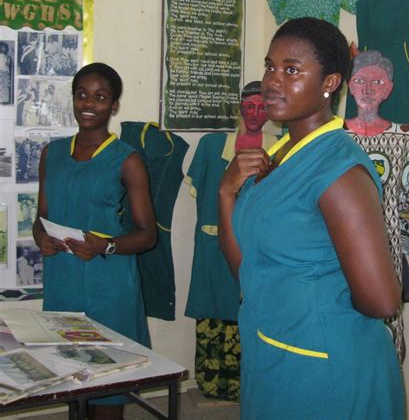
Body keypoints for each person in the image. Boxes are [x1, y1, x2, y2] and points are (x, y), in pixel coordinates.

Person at [218, 18, 404, 419]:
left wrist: (315, 301)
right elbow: (247, 269)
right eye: (270, 66)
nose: (272, 81)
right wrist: (226, 191)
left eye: (291, 70)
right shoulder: (280, 153)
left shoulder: (338, 170)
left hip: (325, 368)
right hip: (273, 351)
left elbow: (381, 299)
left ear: (330, 82)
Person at [33, 62, 156, 420]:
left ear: (114, 105)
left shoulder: (127, 160)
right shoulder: (51, 154)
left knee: (106, 395)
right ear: (72, 99)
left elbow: (147, 235)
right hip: (63, 285)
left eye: (100, 97)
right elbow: (41, 217)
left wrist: (106, 245)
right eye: (82, 94)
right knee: (71, 387)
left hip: (108, 287)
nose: (89, 103)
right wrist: (41, 239)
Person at [184, 81, 277, 401]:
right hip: (211, 245)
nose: (254, 113)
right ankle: (210, 384)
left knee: (250, 310)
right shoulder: (212, 146)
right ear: (240, 107)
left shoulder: (280, 146)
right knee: (212, 310)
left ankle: (245, 386)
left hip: (257, 246)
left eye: (261, 106)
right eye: (249, 106)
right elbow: (200, 191)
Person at [346, 50, 409, 362]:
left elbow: (406, 195)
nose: (367, 89)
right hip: (338, 243)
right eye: (360, 80)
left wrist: (406, 245)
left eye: (377, 81)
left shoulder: (404, 136)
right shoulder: (335, 135)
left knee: (384, 336)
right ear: (349, 85)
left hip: (386, 246)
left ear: (389, 88)